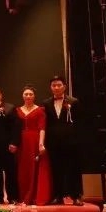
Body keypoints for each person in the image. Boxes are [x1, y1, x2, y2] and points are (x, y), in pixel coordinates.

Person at [43, 76, 84, 205]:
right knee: (56, 169)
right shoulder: (46, 103)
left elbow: (80, 122)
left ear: (64, 87)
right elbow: (45, 124)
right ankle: (58, 195)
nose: (56, 87)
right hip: (53, 142)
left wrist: (77, 139)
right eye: (53, 85)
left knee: (73, 169)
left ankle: (76, 196)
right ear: (50, 88)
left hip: (71, 142)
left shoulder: (74, 101)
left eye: (59, 85)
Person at [16, 86, 52, 205]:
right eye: (26, 94)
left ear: (34, 96)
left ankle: (34, 195)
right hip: (22, 142)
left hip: (35, 141)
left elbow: (42, 128)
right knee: (23, 168)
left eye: (30, 94)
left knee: (34, 167)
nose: (28, 96)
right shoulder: (17, 110)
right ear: (22, 96)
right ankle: (23, 195)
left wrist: (41, 143)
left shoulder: (40, 110)